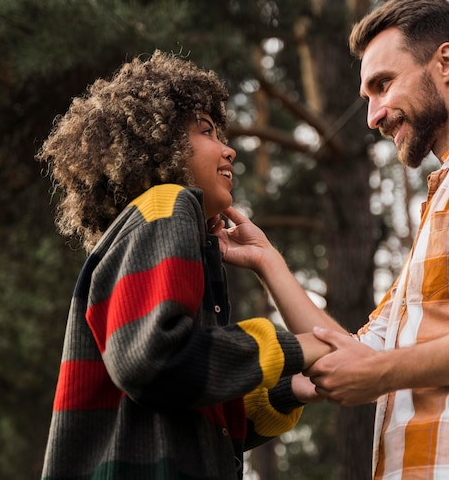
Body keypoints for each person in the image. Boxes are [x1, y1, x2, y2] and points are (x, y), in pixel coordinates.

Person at [214, 0, 449, 480]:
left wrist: (385, 373)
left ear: (446, 62)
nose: (373, 116)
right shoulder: (447, 200)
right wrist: (266, 259)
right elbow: (355, 355)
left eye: (383, 85)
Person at [36, 50, 330, 480]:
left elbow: (185, 394)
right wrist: (291, 348)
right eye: (207, 130)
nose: (229, 149)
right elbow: (154, 360)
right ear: (155, 145)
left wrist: (286, 390)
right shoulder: (166, 204)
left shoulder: (166, 238)